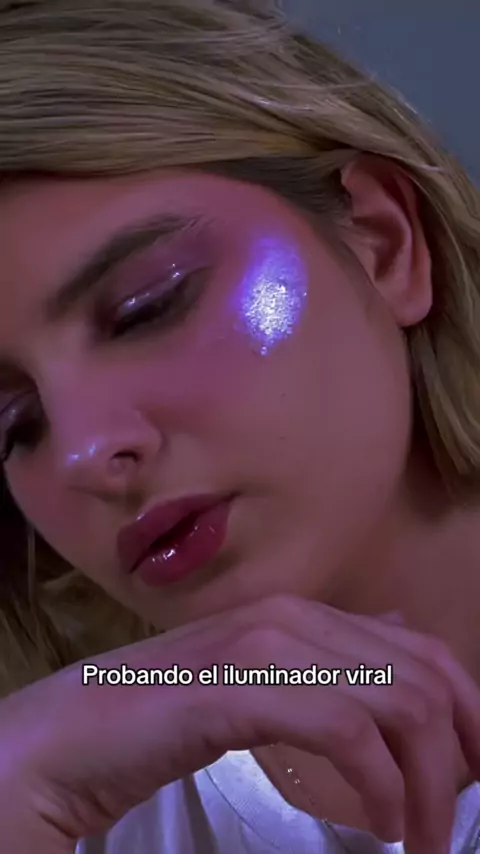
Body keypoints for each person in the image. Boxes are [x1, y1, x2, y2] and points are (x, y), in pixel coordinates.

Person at [1, 0, 480, 852]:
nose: (83, 450)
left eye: (146, 307)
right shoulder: (67, 803)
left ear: (381, 241)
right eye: (14, 423)